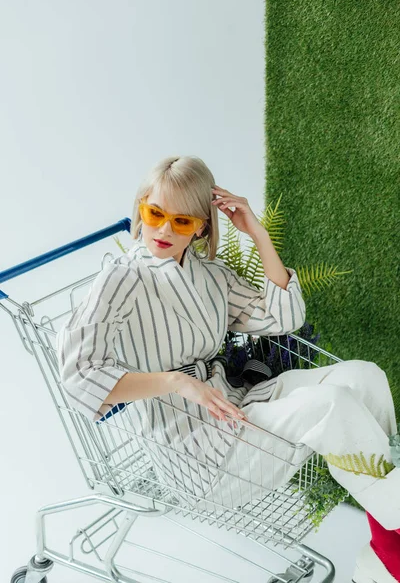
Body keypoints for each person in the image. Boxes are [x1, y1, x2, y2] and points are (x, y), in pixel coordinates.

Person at [56, 155, 400, 582]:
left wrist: (257, 233)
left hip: (234, 407)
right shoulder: (120, 279)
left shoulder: (211, 276)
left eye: (181, 221)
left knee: (365, 376)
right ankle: (393, 549)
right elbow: (77, 375)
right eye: (155, 213)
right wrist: (176, 382)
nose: (164, 229)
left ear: (202, 225)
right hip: (193, 451)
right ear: (141, 207)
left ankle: (388, 550)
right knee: (331, 404)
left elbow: (283, 317)